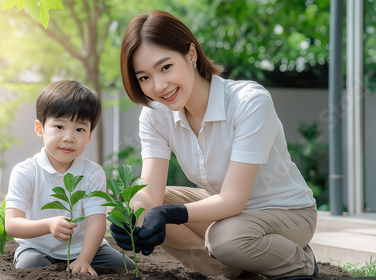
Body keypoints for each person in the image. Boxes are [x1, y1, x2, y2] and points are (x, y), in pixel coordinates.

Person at [113, 10, 318, 280]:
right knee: (135, 205)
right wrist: (133, 217)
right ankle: (234, 272)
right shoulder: (155, 115)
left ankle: (299, 262)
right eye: (144, 78)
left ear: (191, 54)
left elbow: (234, 200)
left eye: (165, 67)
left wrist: (169, 213)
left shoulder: (249, 103)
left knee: (225, 239)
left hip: (286, 213)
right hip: (227, 214)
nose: (159, 86)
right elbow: (150, 191)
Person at [5, 80, 135, 276]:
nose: (69, 137)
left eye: (80, 129)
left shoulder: (93, 173)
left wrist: (84, 259)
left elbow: (96, 223)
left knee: (127, 268)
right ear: (40, 128)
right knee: (29, 266)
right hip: (38, 248)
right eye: (59, 126)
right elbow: (13, 224)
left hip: (87, 249)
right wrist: (48, 225)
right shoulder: (26, 171)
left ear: (90, 135)